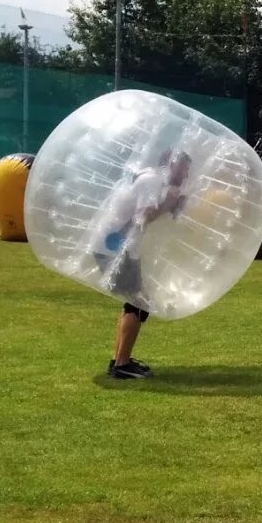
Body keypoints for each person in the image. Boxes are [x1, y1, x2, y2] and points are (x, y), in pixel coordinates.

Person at [89, 150, 192, 379]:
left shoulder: (151, 180)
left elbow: (145, 215)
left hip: (119, 246)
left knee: (135, 300)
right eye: (182, 167)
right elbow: (142, 217)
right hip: (115, 246)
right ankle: (121, 365)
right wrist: (169, 204)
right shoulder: (152, 180)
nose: (186, 174)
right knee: (139, 301)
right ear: (169, 164)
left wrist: (171, 205)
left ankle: (118, 360)